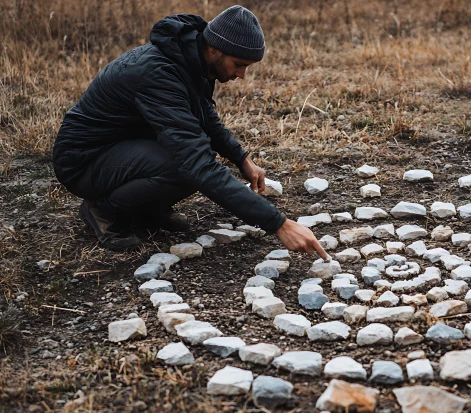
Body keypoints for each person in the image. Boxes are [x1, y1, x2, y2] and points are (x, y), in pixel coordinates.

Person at [52, 6, 327, 259]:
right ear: (216, 50)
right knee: (187, 165)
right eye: (239, 64)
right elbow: (197, 163)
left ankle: (145, 210)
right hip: (83, 160)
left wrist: (241, 158)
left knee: (192, 159)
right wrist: (278, 223)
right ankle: (102, 210)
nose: (242, 75)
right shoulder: (158, 74)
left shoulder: (192, 62)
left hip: (124, 146)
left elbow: (205, 116)